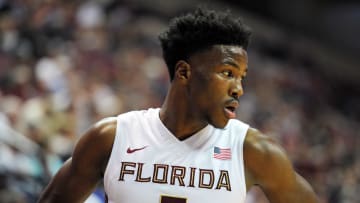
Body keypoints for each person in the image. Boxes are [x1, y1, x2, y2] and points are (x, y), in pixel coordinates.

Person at [38, 7, 318, 203]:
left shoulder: (254, 151)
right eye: (227, 73)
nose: (238, 88)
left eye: (242, 77)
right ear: (184, 73)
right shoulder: (111, 138)